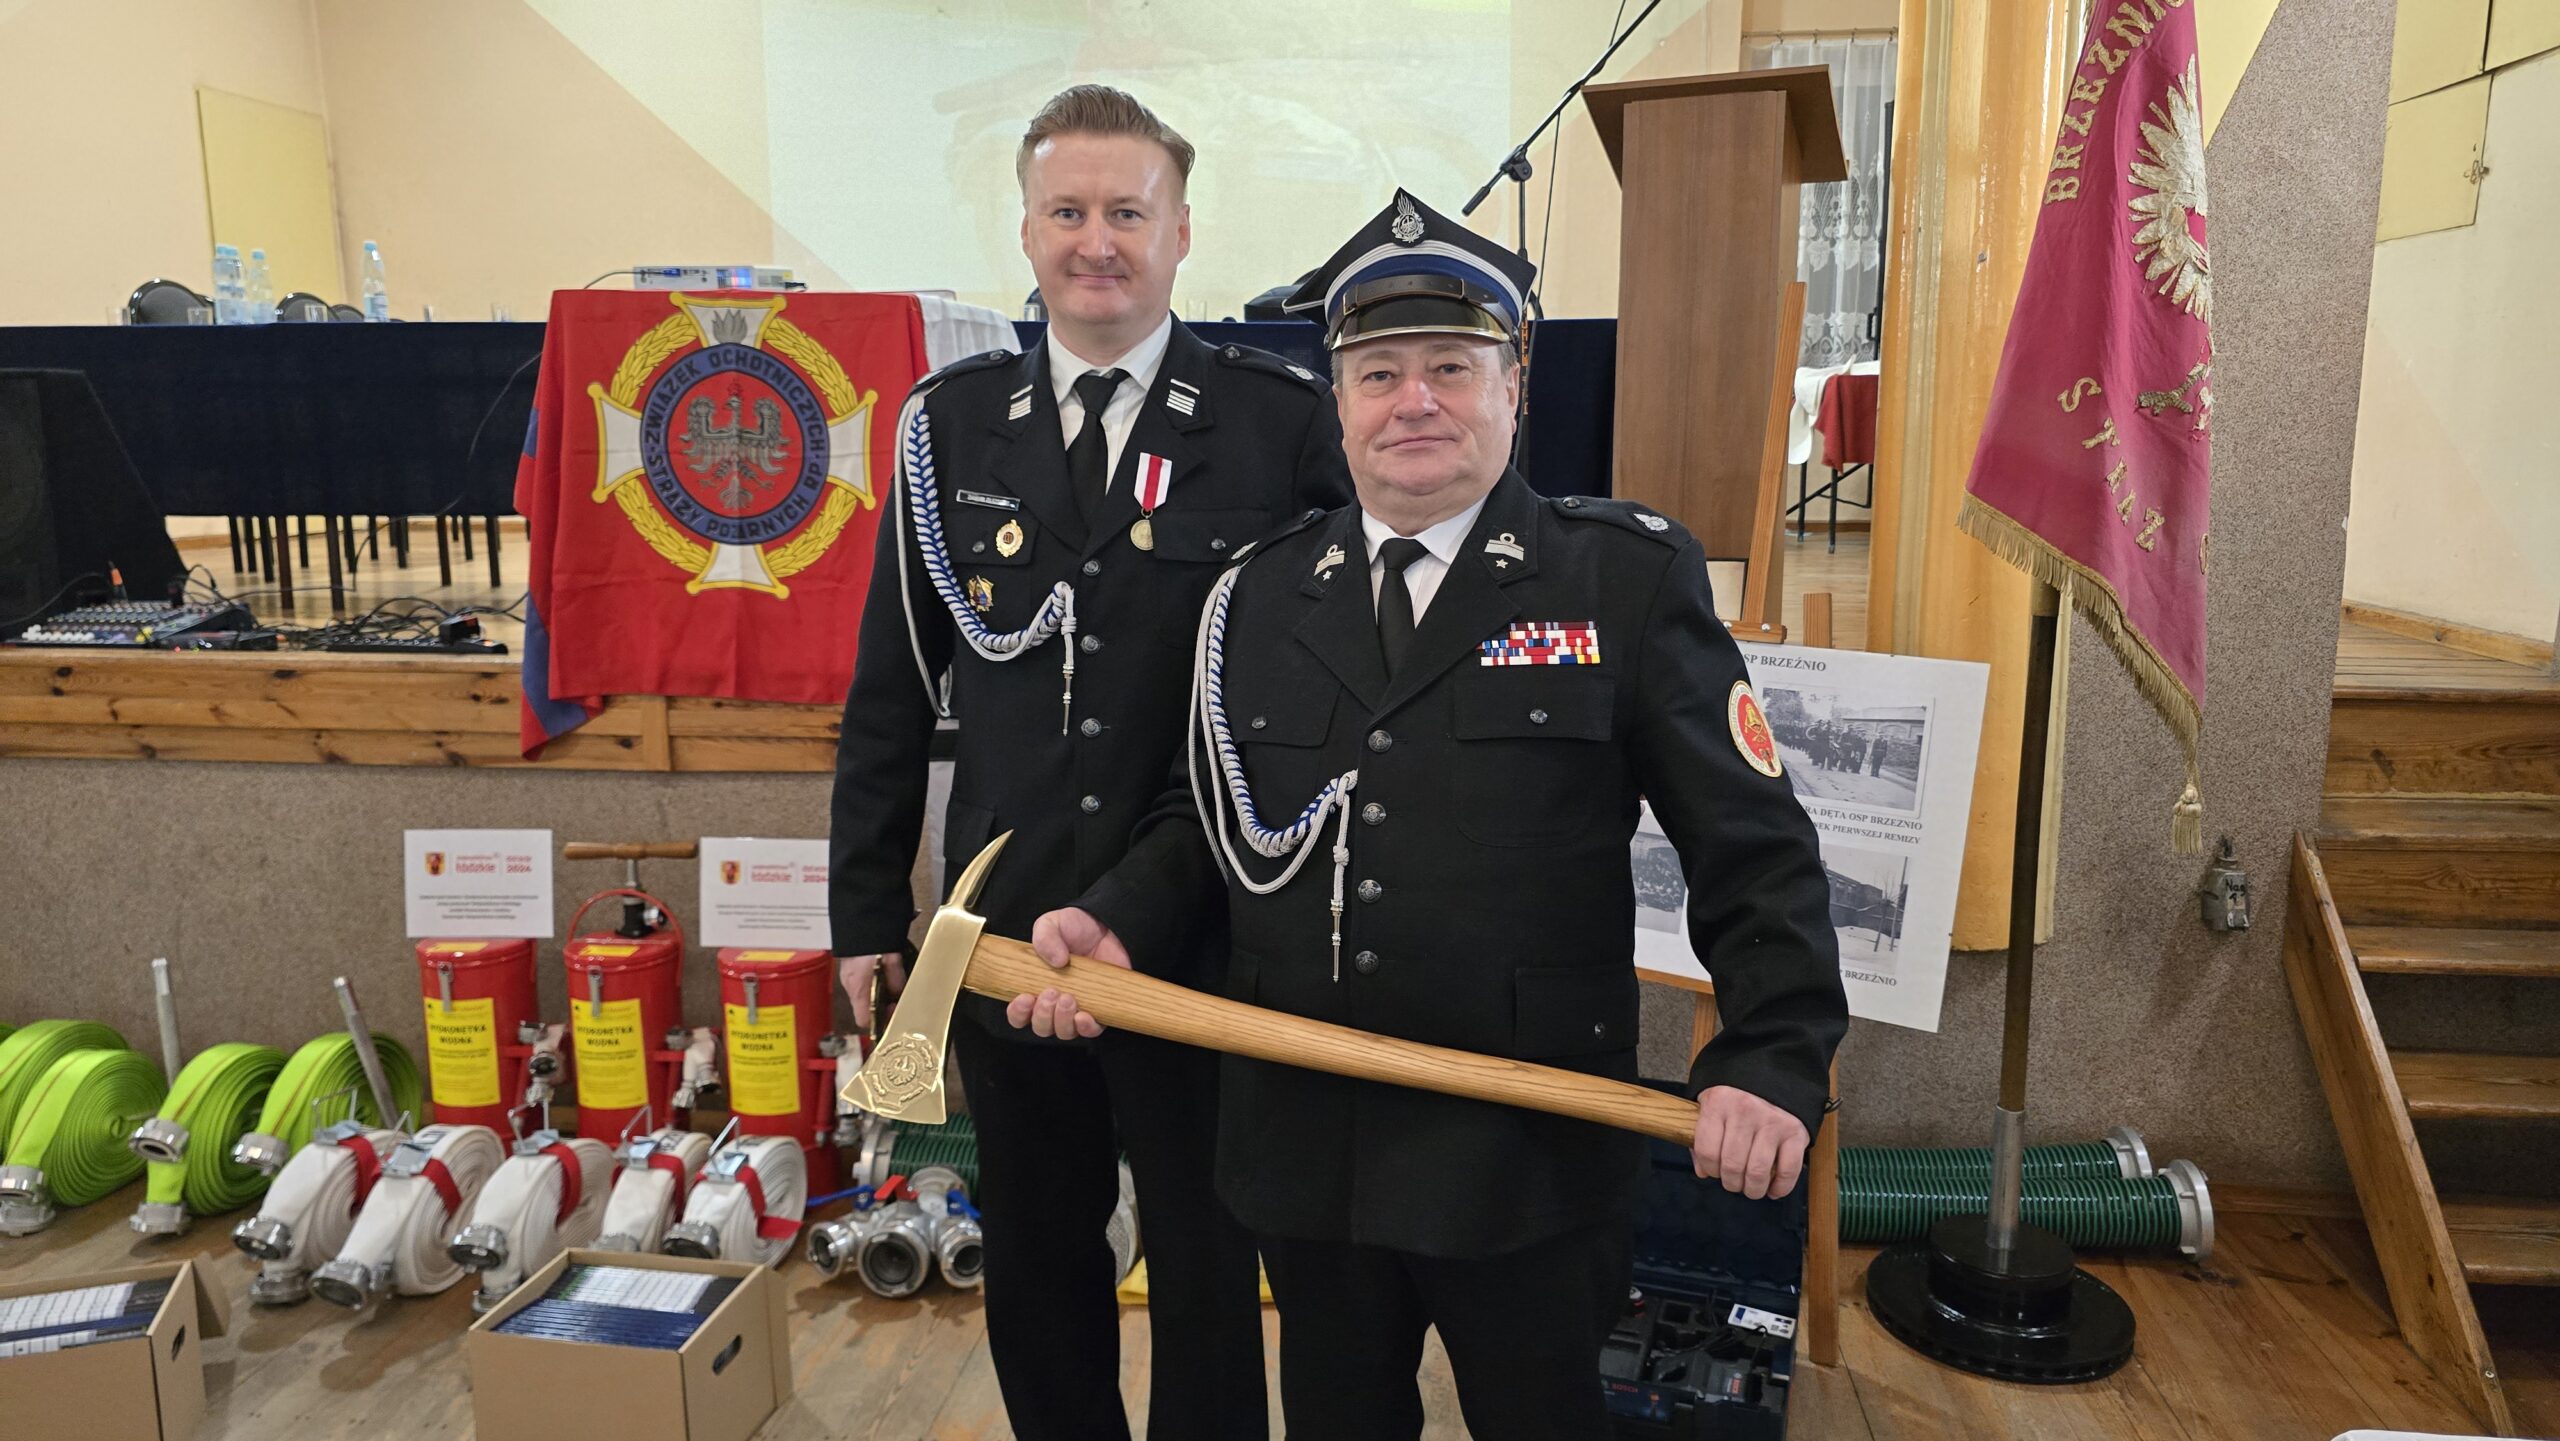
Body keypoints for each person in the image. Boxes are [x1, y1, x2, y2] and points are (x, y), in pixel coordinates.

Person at [1020, 189, 1849, 1439]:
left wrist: (1768, 1056)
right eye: (1378, 373)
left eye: (1450, 368)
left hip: (1525, 1149)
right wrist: (1118, 919)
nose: (1413, 401)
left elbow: (1754, 845)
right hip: (1309, 1145)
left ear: (1513, 385)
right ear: (1338, 402)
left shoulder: (1619, 579)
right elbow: (1210, 816)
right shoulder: (1254, 597)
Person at [827, 84, 1351, 1441]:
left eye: (1128, 211)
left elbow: (1317, 697)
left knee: (1204, 1256)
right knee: (1038, 1248)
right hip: (1003, 927)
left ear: (1182, 233)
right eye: (1067, 211)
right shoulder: (948, 428)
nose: (1096, 241)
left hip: (1203, 923)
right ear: (1026, 230)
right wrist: (864, 910)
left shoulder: (1278, 424)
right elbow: (893, 690)